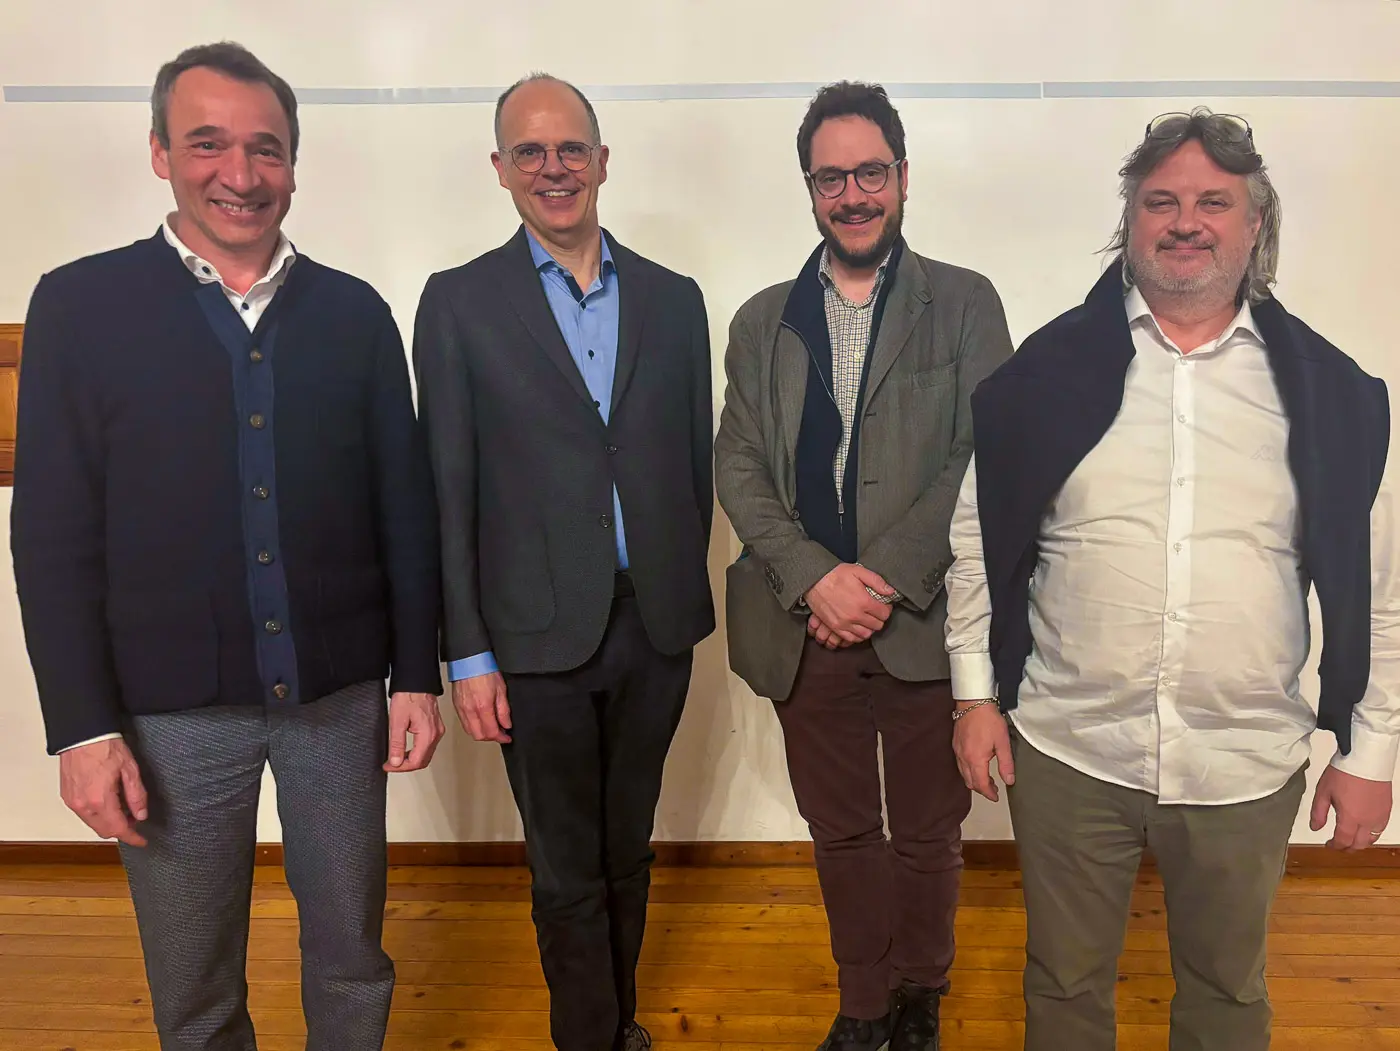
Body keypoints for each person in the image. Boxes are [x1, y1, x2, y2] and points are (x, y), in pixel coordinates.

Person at [11, 42, 444, 1051]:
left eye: (266, 148)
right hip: (165, 715)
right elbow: (51, 536)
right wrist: (80, 728)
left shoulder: (355, 314)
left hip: (338, 702)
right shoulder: (79, 307)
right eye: (207, 144)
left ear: (294, 162)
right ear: (160, 152)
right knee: (193, 975)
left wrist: (416, 675)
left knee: (352, 953)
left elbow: (404, 508)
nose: (240, 174)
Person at [946, 107, 1398, 1051]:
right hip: (1070, 748)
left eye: (1212, 202)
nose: (1185, 221)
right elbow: (978, 540)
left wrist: (1372, 751)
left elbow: (1383, 587)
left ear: (1254, 223)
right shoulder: (1044, 374)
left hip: (1243, 758)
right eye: (1161, 201)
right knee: (1063, 988)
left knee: (1227, 997)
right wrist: (974, 695)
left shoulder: (1331, 393)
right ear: (1130, 218)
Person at [412, 73, 714, 1051]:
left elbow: (692, 465)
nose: (553, 168)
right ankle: (587, 1035)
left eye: (570, 148)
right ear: (500, 169)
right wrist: (466, 653)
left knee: (629, 847)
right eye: (530, 152)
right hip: (529, 637)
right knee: (565, 865)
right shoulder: (458, 303)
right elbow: (447, 489)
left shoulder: (675, 301)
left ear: (602, 161)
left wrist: (678, 591)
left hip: (654, 626)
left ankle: (619, 1023)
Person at [714, 81, 1014, 1051]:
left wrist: (876, 579)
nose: (852, 194)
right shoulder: (761, 322)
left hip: (920, 617)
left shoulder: (964, 304)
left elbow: (983, 455)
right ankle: (863, 1001)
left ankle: (921, 990)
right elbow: (737, 464)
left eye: (870, 172)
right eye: (830, 177)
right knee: (839, 829)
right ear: (809, 188)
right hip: (803, 622)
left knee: (927, 830)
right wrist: (815, 577)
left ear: (902, 176)